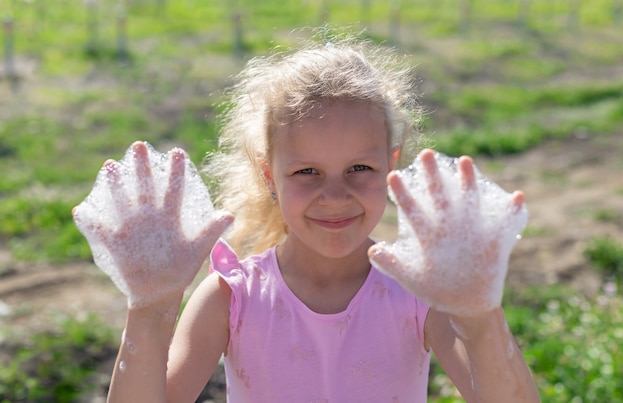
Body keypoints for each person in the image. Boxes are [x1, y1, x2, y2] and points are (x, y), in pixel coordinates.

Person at [74, 31, 541, 402]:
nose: (334, 196)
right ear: (269, 175)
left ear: (391, 165)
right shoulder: (231, 297)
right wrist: (151, 307)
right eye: (307, 171)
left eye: (359, 168)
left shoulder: (418, 294)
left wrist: (481, 315)